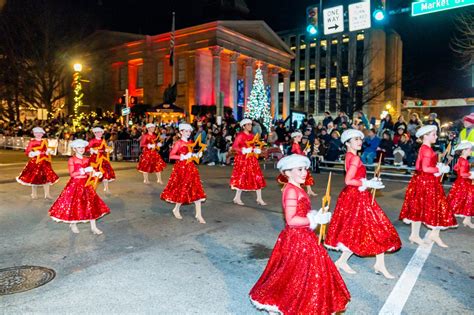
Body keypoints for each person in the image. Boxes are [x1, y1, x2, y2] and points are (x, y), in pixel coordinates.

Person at [249, 154, 350, 314]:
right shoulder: (290, 191)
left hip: (303, 235)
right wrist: (314, 218)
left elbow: (301, 212)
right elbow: (291, 220)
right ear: (287, 173)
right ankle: (293, 305)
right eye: (300, 169)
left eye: (305, 169)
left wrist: (318, 215)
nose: (305, 173)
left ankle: (294, 304)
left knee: (294, 274)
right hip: (298, 238)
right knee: (302, 274)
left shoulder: (296, 188)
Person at [325, 129, 401, 279]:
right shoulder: (354, 159)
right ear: (347, 143)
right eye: (355, 139)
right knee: (376, 228)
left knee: (358, 230)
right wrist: (367, 182)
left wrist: (369, 183)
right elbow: (348, 180)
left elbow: (354, 178)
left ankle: (343, 261)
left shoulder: (350, 156)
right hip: (357, 197)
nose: (359, 142)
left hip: (354, 196)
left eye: (360, 139)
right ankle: (375, 263)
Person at [399, 125, 457, 248]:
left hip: (425, 181)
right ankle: (427, 234)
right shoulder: (425, 149)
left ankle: (419, 235)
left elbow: (422, 167)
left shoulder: (425, 148)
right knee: (437, 207)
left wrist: (438, 167)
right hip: (426, 182)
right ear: (425, 136)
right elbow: (425, 168)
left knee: (420, 208)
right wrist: (439, 168)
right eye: (433, 134)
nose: (436, 136)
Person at [48, 139, 110, 234]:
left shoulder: (87, 159)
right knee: (74, 205)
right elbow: (72, 174)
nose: (81, 149)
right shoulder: (72, 159)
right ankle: (73, 224)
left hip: (86, 184)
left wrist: (96, 173)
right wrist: (84, 170)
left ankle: (93, 227)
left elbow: (90, 172)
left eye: (82, 147)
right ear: (74, 148)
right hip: (75, 184)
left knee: (91, 204)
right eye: (79, 147)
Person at [161, 123, 206, 223]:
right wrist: (182, 157)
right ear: (181, 132)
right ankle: (176, 209)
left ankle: (199, 214)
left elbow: (192, 155)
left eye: (189, 131)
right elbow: (171, 155)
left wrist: (197, 155)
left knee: (196, 189)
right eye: (186, 131)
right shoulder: (178, 143)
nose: (188, 133)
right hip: (181, 169)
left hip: (191, 168)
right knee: (182, 189)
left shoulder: (191, 142)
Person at [230, 119, 267, 206]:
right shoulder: (240, 136)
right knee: (242, 178)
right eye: (248, 125)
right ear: (243, 126)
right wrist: (243, 150)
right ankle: (237, 197)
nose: (250, 126)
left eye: (251, 124)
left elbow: (253, 146)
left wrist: (256, 150)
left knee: (257, 177)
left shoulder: (252, 136)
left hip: (252, 159)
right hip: (243, 159)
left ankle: (259, 198)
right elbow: (234, 147)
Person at [16, 127, 59, 199]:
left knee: (47, 177)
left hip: (45, 162)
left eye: (40, 133)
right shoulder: (32, 142)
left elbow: (47, 148)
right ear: (34, 134)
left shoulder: (45, 141)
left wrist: (49, 151)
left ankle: (47, 194)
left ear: (42, 134)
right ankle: (34, 194)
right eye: (36, 133)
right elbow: (27, 152)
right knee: (34, 177)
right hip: (35, 162)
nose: (38, 134)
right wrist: (33, 153)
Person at [277, 131, 317, 196]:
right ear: (294, 138)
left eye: (300, 136)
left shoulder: (296, 144)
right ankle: (286, 189)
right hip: (296, 164)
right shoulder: (295, 144)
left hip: (298, 163)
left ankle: (309, 190)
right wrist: (306, 152)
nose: (300, 138)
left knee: (307, 176)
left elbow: (299, 154)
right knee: (294, 177)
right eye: (299, 137)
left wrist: (304, 151)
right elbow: (300, 154)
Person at [447, 141, 474, 228]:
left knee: (467, 201)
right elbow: (462, 174)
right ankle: (447, 219)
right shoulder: (464, 161)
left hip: (461, 182)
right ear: (464, 150)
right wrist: (471, 174)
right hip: (464, 183)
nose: (471, 151)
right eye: (469, 149)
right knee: (464, 201)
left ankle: (467, 220)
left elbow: (455, 168)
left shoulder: (461, 159)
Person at [88, 127, 116, 194]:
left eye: (100, 132)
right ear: (95, 133)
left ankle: (106, 189)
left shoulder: (103, 141)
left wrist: (108, 149)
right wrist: (93, 150)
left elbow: (105, 148)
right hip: (95, 160)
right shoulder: (92, 141)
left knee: (105, 173)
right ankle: (92, 189)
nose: (99, 133)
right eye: (97, 132)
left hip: (103, 159)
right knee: (95, 174)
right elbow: (88, 148)